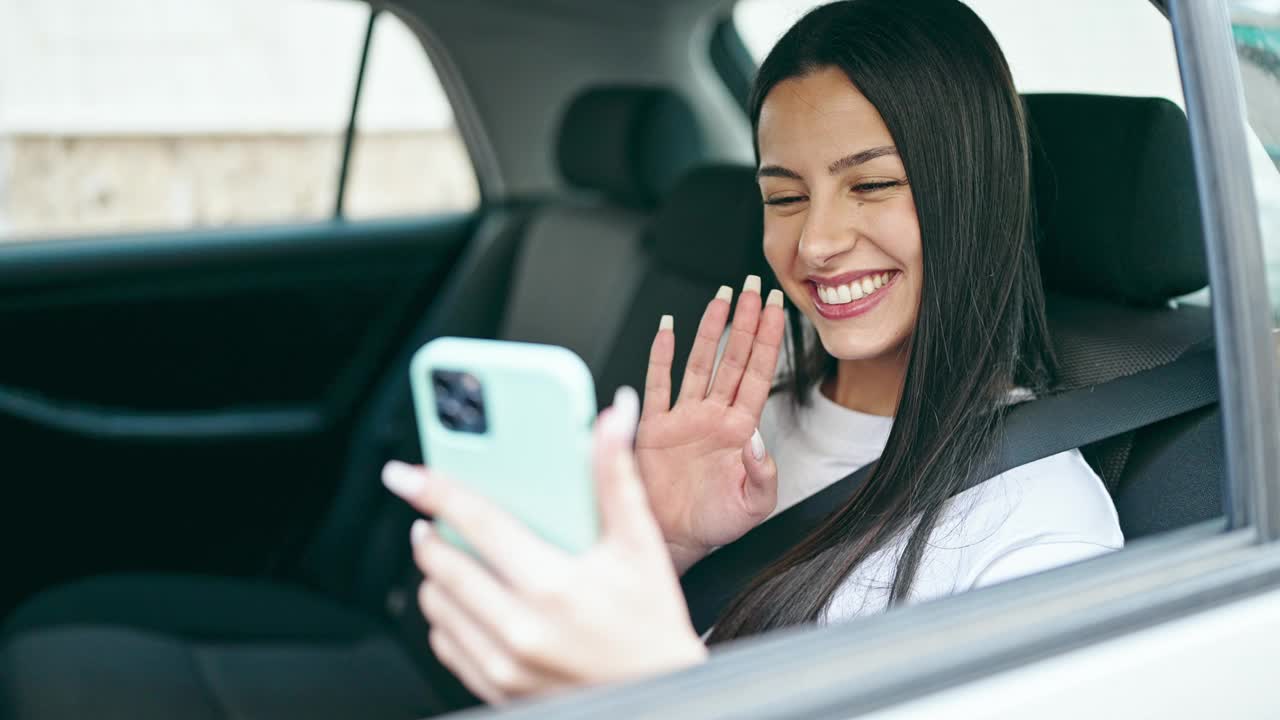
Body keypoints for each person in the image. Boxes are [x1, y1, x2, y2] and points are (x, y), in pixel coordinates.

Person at [380, 0, 1123, 705]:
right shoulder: (744, 393)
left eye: (870, 184)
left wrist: (670, 691)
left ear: (975, 191)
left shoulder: (1042, 526)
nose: (816, 243)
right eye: (785, 197)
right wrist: (668, 545)